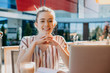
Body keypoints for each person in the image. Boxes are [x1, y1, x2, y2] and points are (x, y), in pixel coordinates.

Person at [16, 6, 69, 73]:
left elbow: (70, 66)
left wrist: (58, 46)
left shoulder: (60, 40)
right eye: (42, 21)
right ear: (36, 24)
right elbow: (19, 68)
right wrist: (33, 44)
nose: (46, 24)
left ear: (54, 24)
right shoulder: (26, 41)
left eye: (50, 21)